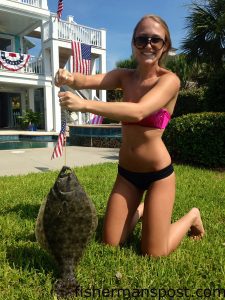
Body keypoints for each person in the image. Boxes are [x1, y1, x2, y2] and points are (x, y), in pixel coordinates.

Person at [55, 14, 205, 257]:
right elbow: (87, 80)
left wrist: (84, 106)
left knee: (154, 253)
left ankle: (192, 216)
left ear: (165, 45)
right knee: (111, 242)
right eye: (141, 39)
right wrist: (68, 77)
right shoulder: (124, 77)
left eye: (155, 40)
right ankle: (145, 209)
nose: (148, 45)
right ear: (134, 43)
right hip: (127, 175)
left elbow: (139, 111)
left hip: (159, 175)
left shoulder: (170, 81)